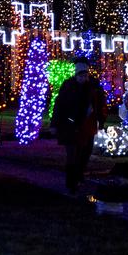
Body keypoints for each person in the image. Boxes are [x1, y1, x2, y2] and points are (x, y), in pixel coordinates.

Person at [49, 56, 107, 193]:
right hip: (71, 126)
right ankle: (71, 183)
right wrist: (55, 124)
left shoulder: (93, 86)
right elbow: (60, 105)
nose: (83, 77)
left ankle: (79, 177)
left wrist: (101, 119)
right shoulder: (68, 86)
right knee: (73, 155)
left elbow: (100, 103)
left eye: (85, 74)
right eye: (81, 75)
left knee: (84, 154)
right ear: (76, 74)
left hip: (88, 127)